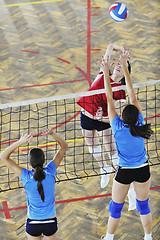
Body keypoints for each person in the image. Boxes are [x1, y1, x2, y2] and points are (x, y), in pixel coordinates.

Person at [97, 49, 153, 240]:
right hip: (143, 169)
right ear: (138, 116)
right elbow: (131, 93)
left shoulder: (117, 127)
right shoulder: (141, 124)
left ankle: (110, 237)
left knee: (115, 207)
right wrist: (126, 66)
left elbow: (109, 98)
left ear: (122, 117)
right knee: (143, 206)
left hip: (125, 171)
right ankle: (148, 237)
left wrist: (106, 72)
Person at [77, 43, 136, 211]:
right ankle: (104, 168)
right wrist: (121, 50)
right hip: (86, 116)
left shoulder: (121, 92)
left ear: (125, 72)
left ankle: (131, 191)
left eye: (121, 66)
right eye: (116, 65)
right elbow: (110, 46)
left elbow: (114, 115)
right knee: (92, 147)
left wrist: (101, 116)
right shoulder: (103, 74)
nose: (117, 66)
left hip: (104, 122)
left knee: (113, 152)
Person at [0, 129, 68, 240]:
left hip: (33, 223)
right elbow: (64, 146)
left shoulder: (26, 176)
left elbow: (3, 156)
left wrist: (20, 142)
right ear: (44, 160)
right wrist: (52, 134)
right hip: (50, 222)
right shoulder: (51, 171)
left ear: (29, 162)